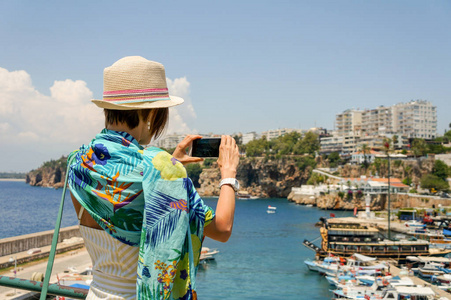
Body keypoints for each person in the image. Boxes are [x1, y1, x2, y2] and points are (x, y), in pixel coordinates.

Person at [68, 56, 240, 300]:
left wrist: (167, 164)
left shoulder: (79, 161)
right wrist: (228, 175)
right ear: (150, 112)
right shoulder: (162, 171)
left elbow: (124, 192)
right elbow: (222, 228)